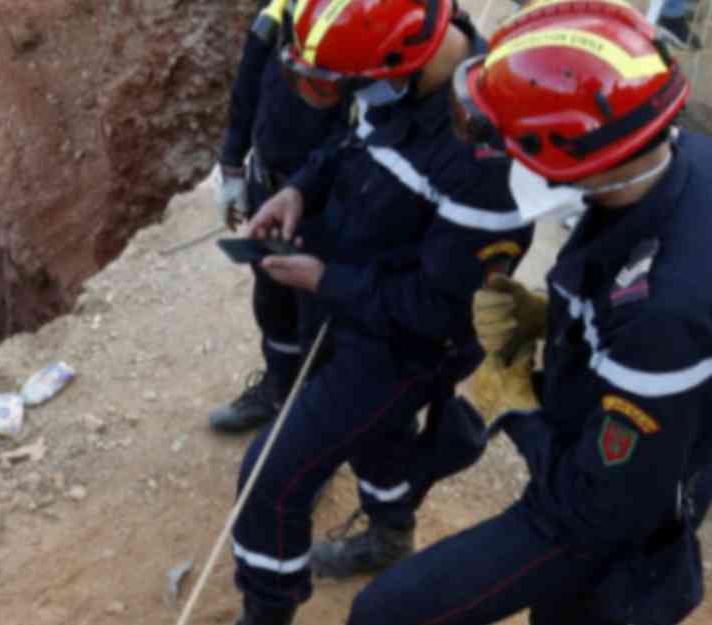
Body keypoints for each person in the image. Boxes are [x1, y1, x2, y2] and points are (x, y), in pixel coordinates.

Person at [345, 3, 712, 625]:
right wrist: (557, 318)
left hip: (609, 517)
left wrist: (516, 404)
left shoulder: (663, 315)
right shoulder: (681, 160)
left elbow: (600, 506)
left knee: (386, 614)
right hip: (635, 434)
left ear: (580, 157)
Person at [227, 1, 534, 623]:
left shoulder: (484, 158)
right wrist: (299, 190)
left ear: (397, 62)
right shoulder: (397, 80)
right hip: (353, 304)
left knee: (271, 477)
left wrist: (325, 280)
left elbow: (438, 311)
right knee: (379, 439)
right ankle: (390, 534)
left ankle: (266, 613)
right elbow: (349, 145)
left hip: (404, 345)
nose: (347, 95)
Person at [209, 0, 350, 433]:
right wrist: (232, 163)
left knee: (320, 322)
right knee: (272, 299)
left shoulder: (368, 23)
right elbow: (250, 78)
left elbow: (360, 131)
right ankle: (278, 387)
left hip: (326, 202)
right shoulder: (285, 10)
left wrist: (305, 189)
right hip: (268, 186)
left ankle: (311, 429)